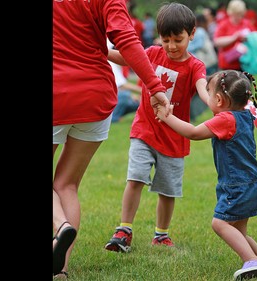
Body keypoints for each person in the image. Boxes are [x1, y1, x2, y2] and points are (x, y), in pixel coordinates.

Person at [53, 0, 170, 278]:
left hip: (57, 92)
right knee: (66, 184)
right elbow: (127, 39)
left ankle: (60, 227)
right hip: (96, 96)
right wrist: (154, 86)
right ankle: (61, 269)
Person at [104, 2, 209, 252]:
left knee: (167, 190)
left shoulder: (195, 66)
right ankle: (124, 229)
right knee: (135, 178)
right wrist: (101, 49)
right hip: (144, 130)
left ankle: (161, 234)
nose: (171, 46)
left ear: (192, 34)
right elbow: (126, 55)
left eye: (178, 39)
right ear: (158, 37)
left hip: (175, 138)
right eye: (166, 39)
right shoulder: (151, 53)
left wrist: (213, 103)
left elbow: (203, 87)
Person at [155, 70, 257, 280]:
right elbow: (224, 99)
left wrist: (167, 117)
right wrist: (204, 83)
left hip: (237, 186)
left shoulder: (225, 120)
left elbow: (192, 133)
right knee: (238, 231)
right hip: (254, 182)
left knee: (219, 224)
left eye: (209, 94)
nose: (206, 97)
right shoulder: (247, 113)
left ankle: (251, 261)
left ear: (219, 99)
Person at [187, 13, 218, 122]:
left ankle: (192, 114)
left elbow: (198, 45)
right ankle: (191, 114)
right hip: (209, 64)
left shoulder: (199, 31)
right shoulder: (202, 32)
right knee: (200, 91)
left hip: (207, 65)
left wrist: (184, 45)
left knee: (201, 91)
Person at [213, 0, 256, 72]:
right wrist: (234, 38)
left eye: (241, 14)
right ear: (231, 12)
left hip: (244, 64)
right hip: (227, 65)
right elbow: (217, 42)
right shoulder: (223, 24)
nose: (239, 17)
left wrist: (248, 39)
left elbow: (256, 39)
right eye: (236, 14)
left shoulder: (247, 23)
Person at [107, 41, 141, 123]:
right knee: (124, 95)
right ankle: (113, 118)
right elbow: (122, 86)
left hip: (111, 96)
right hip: (109, 98)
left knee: (135, 101)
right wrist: (146, 91)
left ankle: (115, 115)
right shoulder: (111, 63)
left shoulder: (116, 65)